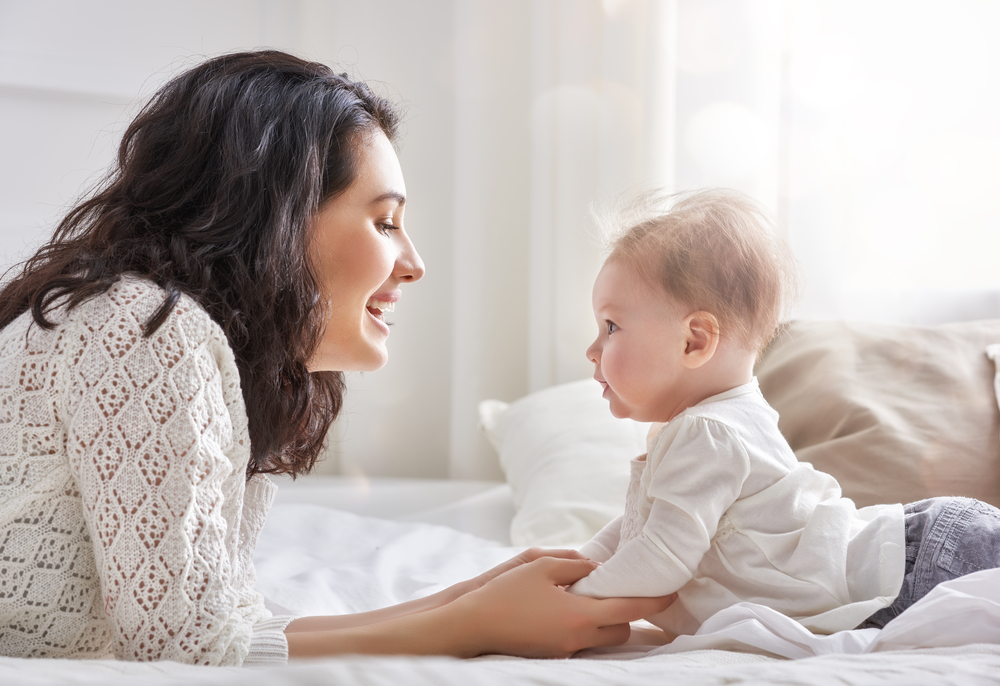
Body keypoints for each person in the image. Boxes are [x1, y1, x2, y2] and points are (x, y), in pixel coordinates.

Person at [0, 50, 672, 666]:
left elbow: (232, 625)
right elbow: (183, 651)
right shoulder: (144, 330)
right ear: (276, 217)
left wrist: (471, 597)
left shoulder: (177, 339)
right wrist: (472, 626)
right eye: (384, 221)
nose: (414, 264)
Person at [567, 189, 1000, 639]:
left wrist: (572, 597)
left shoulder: (707, 431)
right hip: (928, 549)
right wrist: (575, 564)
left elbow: (660, 558)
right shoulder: (720, 421)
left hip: (921, 568)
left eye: (611, 326)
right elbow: (644, 523)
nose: (592, 349)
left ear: (694, 341)